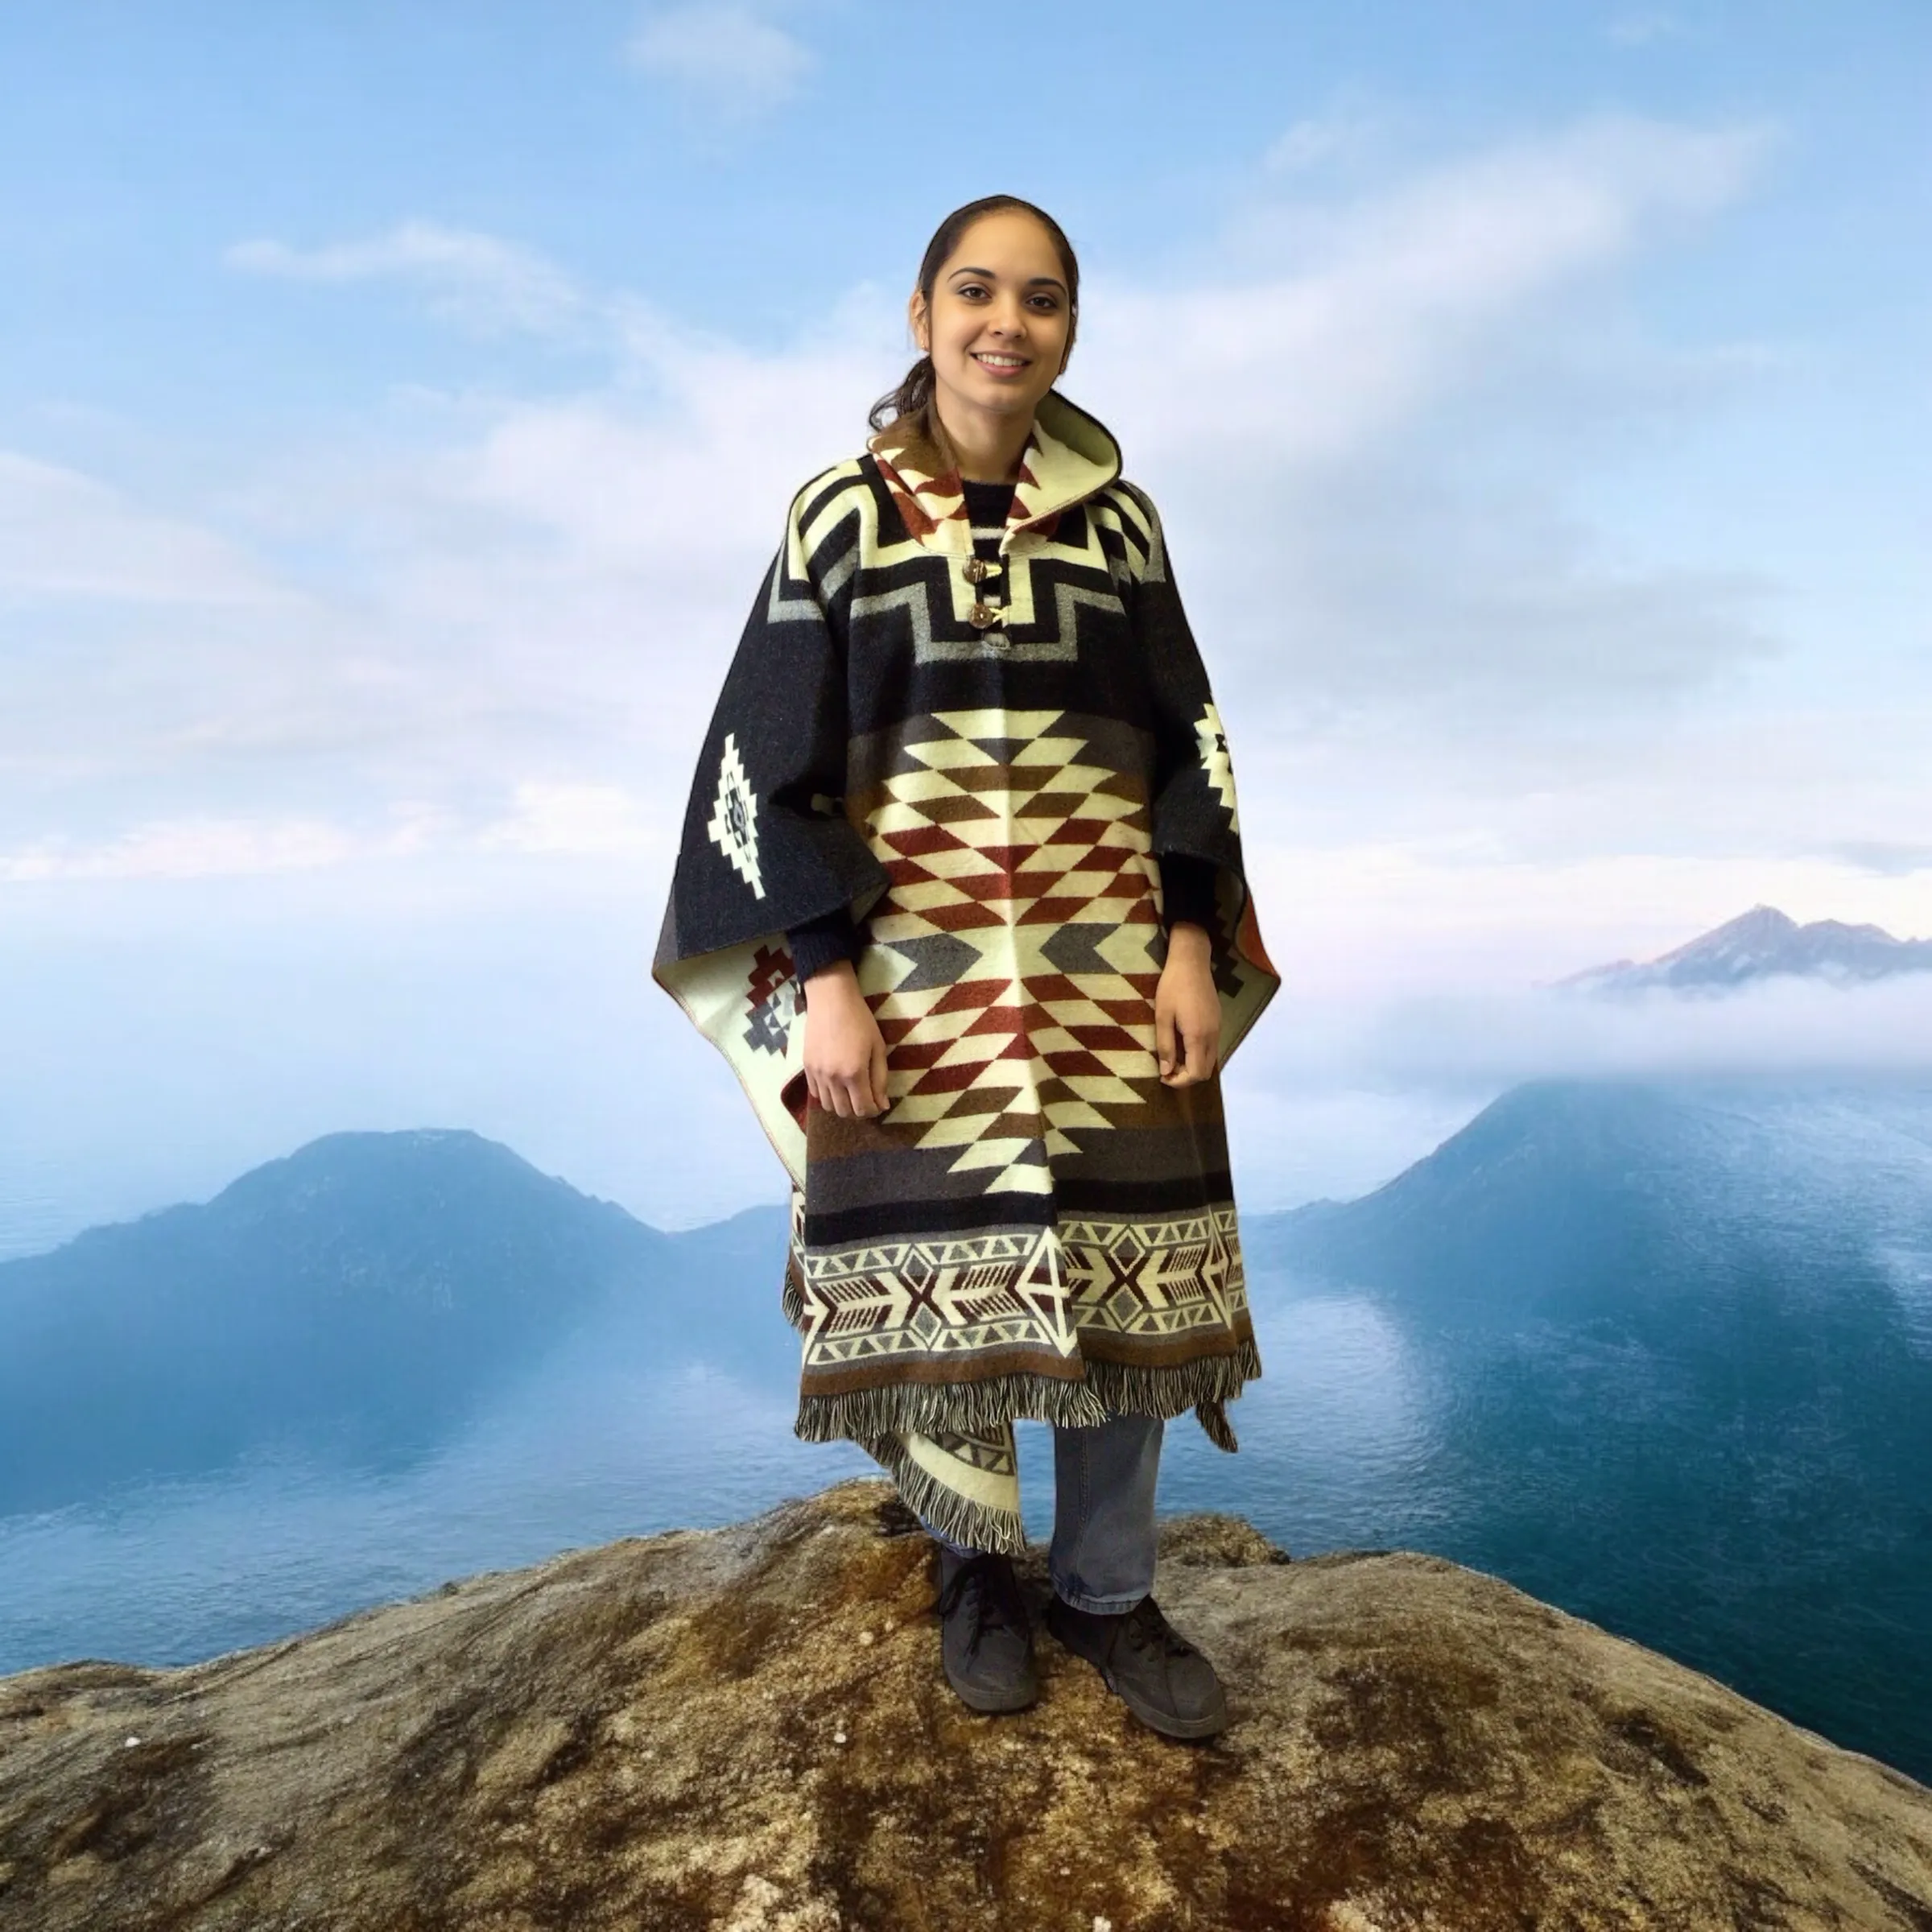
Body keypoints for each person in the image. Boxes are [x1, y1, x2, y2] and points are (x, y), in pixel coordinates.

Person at [654, 195, 1279, 1741]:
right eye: (980, 290)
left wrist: (1192, 944)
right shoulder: (839, 522)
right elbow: (766, 763)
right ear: (922, 312)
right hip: (908, 985)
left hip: (1116, 973)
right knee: (952, 1292)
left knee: (1131, 1279)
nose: (1011, 321)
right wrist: (832, 984)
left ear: (1072, 326)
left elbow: (1190, 745)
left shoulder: (1124, 530)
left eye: (1045, 297)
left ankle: (1111, 1593)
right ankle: (977, 1570)